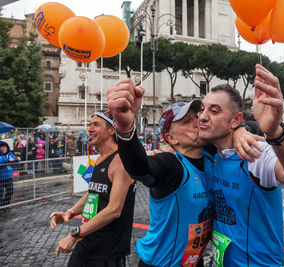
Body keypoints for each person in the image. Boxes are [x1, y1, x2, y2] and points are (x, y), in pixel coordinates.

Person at [107, 79, 263, 267]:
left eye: (197, 116)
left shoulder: (211, 155)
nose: (198, 122)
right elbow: (140, 169)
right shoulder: (170, 163)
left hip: (193, 262)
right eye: (188, 121)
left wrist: (240, 130)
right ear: (171, 138)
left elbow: (253, 128)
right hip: (160, 264)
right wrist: (125, 129)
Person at [198, 65, 284, 266]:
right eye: (202, 109)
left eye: (214, 110)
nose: (202, 116)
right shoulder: (208, 153)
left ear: (235, 120)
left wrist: (276, 133)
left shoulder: (256, 154)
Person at [49, 110, 136, 266]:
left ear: (111, 130)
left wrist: (75, 234)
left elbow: (114, 210)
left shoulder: (121, 161)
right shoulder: (100, 159)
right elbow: (93, 194)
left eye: (96, 125)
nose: (89, 129)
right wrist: (70, 213)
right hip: (87, 242)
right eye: (90, 124)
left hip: (107, 252)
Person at [0, 141, 20, 211]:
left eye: (4, 147)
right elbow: (0, 160)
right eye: (1, 147)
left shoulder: (10, 153)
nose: (3, 148)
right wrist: (7, 160)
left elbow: (14, 159)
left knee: (10, 191)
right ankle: (2, 205)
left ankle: (5, 204)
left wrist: (18, 159)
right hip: (1, 177)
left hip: (9, 176)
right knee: (0, 192)